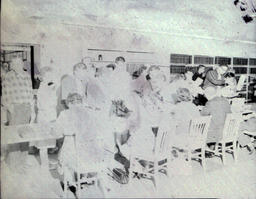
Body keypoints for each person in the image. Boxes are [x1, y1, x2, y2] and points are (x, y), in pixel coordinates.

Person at [56, 93, 106, 195]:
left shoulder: (65, 114)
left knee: (63, 156)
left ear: (69, 103)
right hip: (93, 159)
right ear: (81, 102)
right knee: (80, 150)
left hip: (78, 161)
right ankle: (84, 178)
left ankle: (71, 183)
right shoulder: (90, 113)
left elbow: (59, 131)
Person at [1, 57, 35, 125]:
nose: (17, 65)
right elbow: (5, 94)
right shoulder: (8, 76)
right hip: (14, 107)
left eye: (19, 63)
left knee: (25, 129)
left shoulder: (27, 75)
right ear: (12, 65)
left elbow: (30, 92)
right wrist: (9, 107)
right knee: (14, 131)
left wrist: (32, 107)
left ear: (22, 64)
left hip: (26, 107)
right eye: (15, 64)